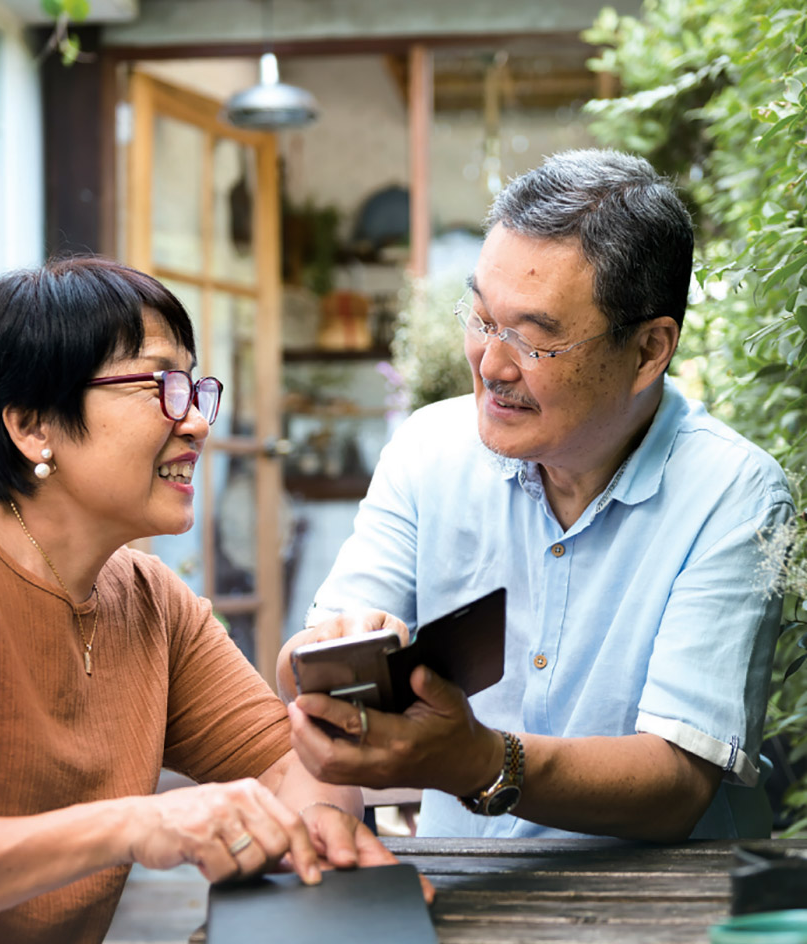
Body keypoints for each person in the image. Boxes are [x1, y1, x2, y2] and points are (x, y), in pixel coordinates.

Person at [278, 148, 793, 843]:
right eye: (483, 318)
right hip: (463, 893)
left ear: (648, 350)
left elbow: (677, 782)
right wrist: (329, 669)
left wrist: (484, 761)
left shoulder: (735, 492)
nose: (491, 364)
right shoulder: (428, 452)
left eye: (532, 339)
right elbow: (311, 668)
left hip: (658, 911)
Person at [0, 257, 412, 944]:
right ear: (31, 424)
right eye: (159, 387)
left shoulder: (151, 600)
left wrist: (334, 706)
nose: (197, 420)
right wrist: (134, 823)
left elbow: (291, 768)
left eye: (194, 386)